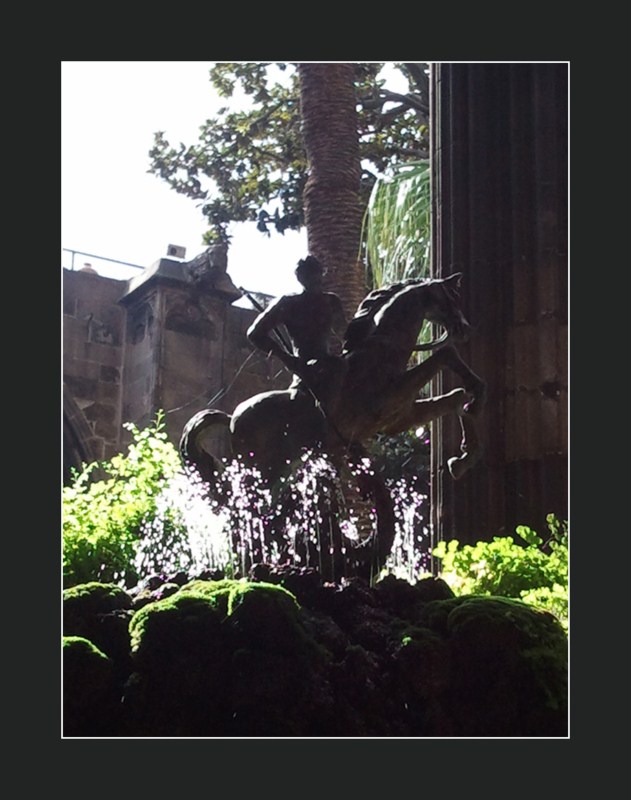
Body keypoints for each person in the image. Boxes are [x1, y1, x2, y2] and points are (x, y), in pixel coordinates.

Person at [247, 255, 348, 409]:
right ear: (300, 278)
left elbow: (345, 334)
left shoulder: (331, 302)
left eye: (316, 274)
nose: (314, 279)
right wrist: (288, 360)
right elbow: (255, 333)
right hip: (305, 370)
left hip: (328, 365)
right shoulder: (289, 303)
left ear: (321, 274)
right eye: (308, 275)